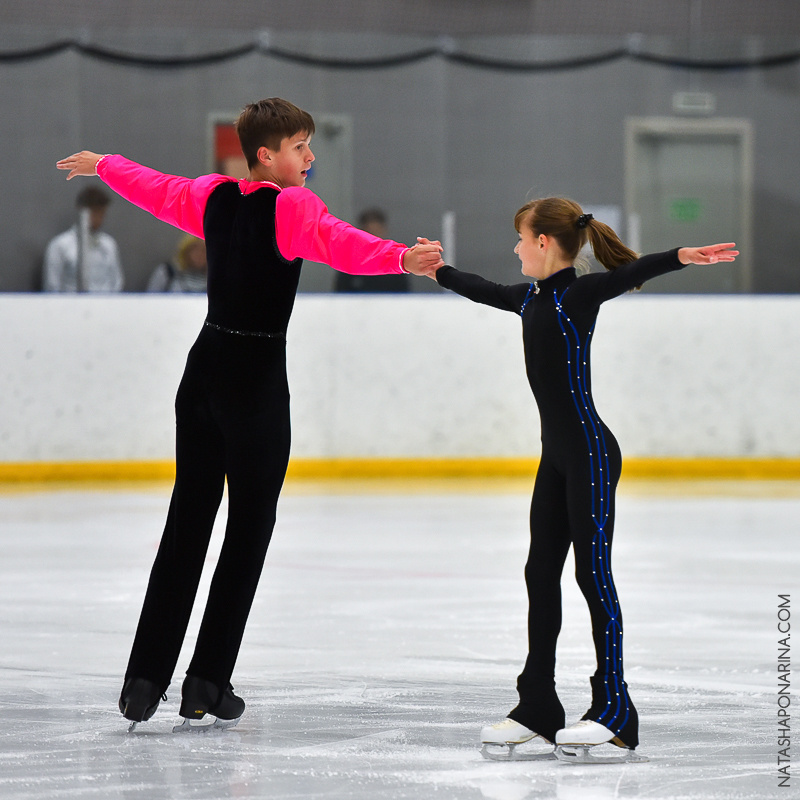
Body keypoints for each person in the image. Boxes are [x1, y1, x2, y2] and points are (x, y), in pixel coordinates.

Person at [56, 97, 443, 733]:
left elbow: (157, 188)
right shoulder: (292, 206)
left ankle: (143, 680)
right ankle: (207, 682)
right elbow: (338, 244)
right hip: (255, 383)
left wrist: (105, 164)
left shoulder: (212, 197)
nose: (309, 158)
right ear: (267, 154)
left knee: (188, 521)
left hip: (202, 373)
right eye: (299, 148)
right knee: (247, 531)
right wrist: (400, 257)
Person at [423, 199, 737, 762]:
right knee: (539, 574)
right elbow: (482, 289)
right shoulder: (530, 299)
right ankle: (537, 709)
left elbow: (631, 273)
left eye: (521, 238)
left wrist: (681, 257)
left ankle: (615, 713)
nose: (516, 248)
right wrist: (435, 271)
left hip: (590, 455)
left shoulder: (577, 295)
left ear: (544, 242)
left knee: (593, 576)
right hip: (557, 460)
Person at [43, 185, 124, 292]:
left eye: (102, 213)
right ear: (82, 211)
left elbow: (116, 282)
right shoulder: (60, 245)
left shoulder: (109, 244)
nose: (98, 218)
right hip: (70, 306)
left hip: (104, 306)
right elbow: (52, 285)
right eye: (95, 212)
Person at [334, 208, 411, 293]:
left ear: (383, 231)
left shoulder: (396, 261)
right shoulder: (349, 262)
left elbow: (403, 296)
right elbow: (340, 295)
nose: (373, 240)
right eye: (369, 234)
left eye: (376, 232)